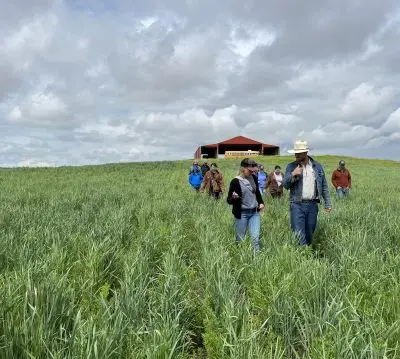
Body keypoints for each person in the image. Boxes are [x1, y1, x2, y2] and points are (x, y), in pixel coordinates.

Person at [283, 140, 332, 246]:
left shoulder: (317, 167)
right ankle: (303, 256)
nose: (296, 155)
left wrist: (328, 203)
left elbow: (324, 186)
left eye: (299, 153)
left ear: (305, 153)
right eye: (295, 153)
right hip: (297, 204)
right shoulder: (291, 166)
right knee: (299, 234)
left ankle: (306, 253)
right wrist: (293, 174)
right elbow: (285, 185)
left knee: (310, 232)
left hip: (312, 205)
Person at [227, 158, 265, 252]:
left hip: (254, 213)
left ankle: (257, 262)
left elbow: (257, 193)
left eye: (253, 171)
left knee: (255, 239)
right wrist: (233, 198)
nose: (252, 172)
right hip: (242, 214)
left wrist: (261, 203)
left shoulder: (254, 178)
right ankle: (239, 259)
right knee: (240, 239)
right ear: (243, 168)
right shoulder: (235, 182)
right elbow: (229, 200)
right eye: (249, 170)